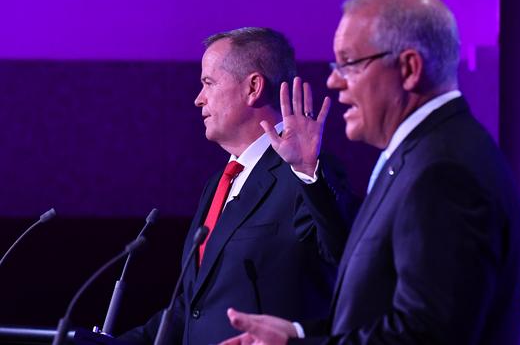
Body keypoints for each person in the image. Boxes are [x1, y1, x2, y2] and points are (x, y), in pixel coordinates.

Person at [220, 0, 520, 345]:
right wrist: (297, 334)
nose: (333, 80)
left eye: (349, 63)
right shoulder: (421, 155)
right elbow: (380, 315)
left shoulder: (443, 172)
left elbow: (424, 336)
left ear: (410, 68)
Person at [120, 27, 354, 344]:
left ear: (253, 88)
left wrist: (307, 170)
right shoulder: (219, 182)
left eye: (208, 83)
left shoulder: (306, 173)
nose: (198, 98)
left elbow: (346, 256)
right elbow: (192, 308)